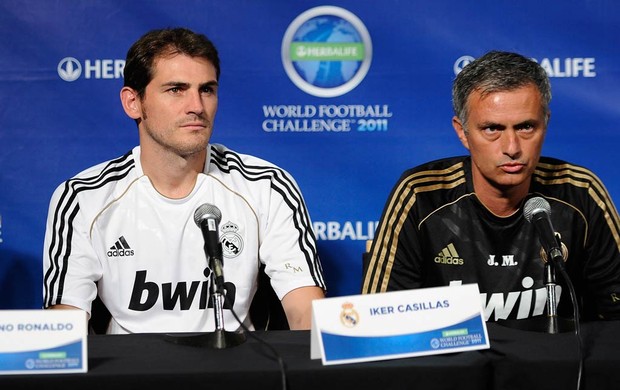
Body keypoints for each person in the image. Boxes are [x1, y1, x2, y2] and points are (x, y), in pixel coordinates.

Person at [42, 27, 326, 334]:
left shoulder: (266, 186)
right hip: (130, 374)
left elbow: (305, 314)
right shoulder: (84, 197)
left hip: (236, 371)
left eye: (206, 89)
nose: (197, 106)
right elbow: (64, 333)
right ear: (133, 103)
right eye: (176, 89)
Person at [362, 50, 620, 322]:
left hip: (556, 365)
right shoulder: (421, 195)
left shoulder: (580, 193)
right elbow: (377, 324)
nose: (512, 148)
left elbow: (615, 317)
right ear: (462, 132)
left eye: (526, 127)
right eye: (492, 129)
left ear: (545, 123)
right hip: (452, 364)